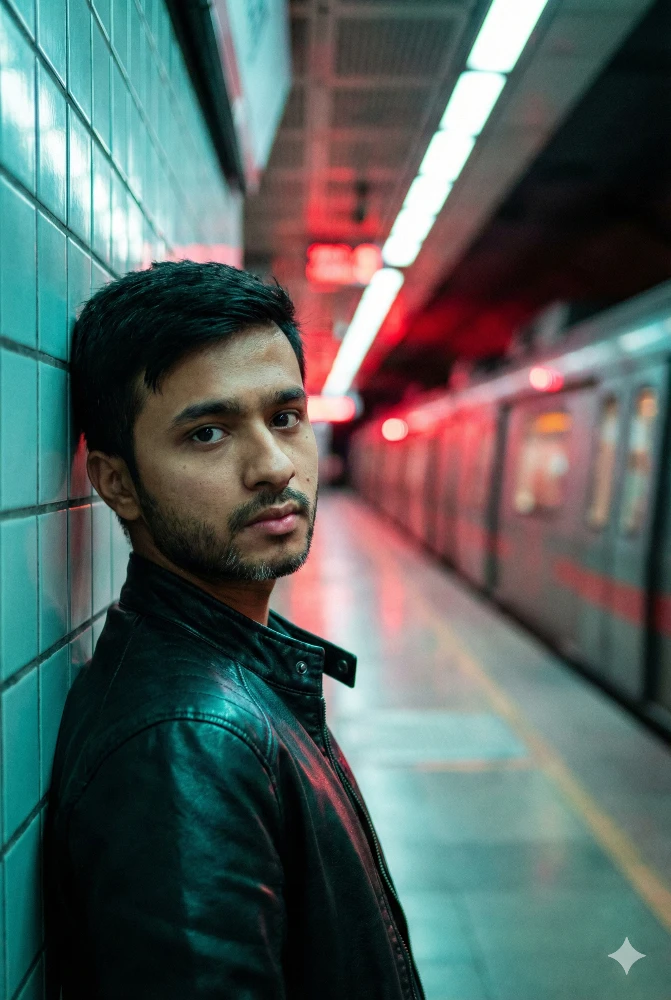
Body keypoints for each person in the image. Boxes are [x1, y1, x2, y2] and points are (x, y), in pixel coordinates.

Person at [43, 261, 425, 1000]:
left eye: (284, 418)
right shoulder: (187, 742)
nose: (274, 467)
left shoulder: (216, 679)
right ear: (117, 482)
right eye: (209, 433)